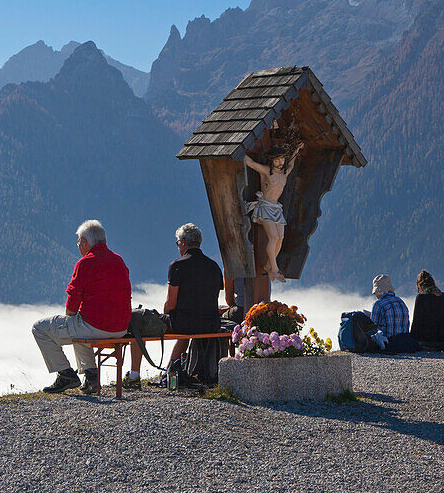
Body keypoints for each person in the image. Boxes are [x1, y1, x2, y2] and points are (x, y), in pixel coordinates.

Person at [31, 220, 131, 394]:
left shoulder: (85, 263)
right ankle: (91, 379)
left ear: (85, 242)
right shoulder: (119, 260)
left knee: (39, 328)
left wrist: (69, 319)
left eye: (78, 242)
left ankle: (65, 374)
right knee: (80, 327)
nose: (78, 245)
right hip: (120, 329)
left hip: (95, 326)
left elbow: (72, 304)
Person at [125, 223, 222, 387]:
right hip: (210, 324)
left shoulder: (178, 265)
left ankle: (134, 376)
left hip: (183, 323)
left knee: (137, 324)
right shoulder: (214, 266)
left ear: (183, 242)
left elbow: (171, 304)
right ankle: (169, 371)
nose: (178, 247)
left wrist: (164, 312)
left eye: (178, 243)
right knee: (186, 328)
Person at [243, 143, 302, 283]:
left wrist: (296, 150)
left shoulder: (284, 173)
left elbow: (291, 165)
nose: (280, 163)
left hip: (276, 208)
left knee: (280, 237)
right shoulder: (266, 171)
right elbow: (250, 162)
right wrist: (238, 149)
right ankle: (275, 269)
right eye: (277, 160)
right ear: (272, 161)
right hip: (265, 206)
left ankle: (270, 266)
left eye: (282, 160)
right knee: (273, 237)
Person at [410, 270, 444, 351]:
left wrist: (410, 341)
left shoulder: (421, 298)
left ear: (420, 286)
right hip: (442, 342)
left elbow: (416, 322)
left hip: (424, 342)